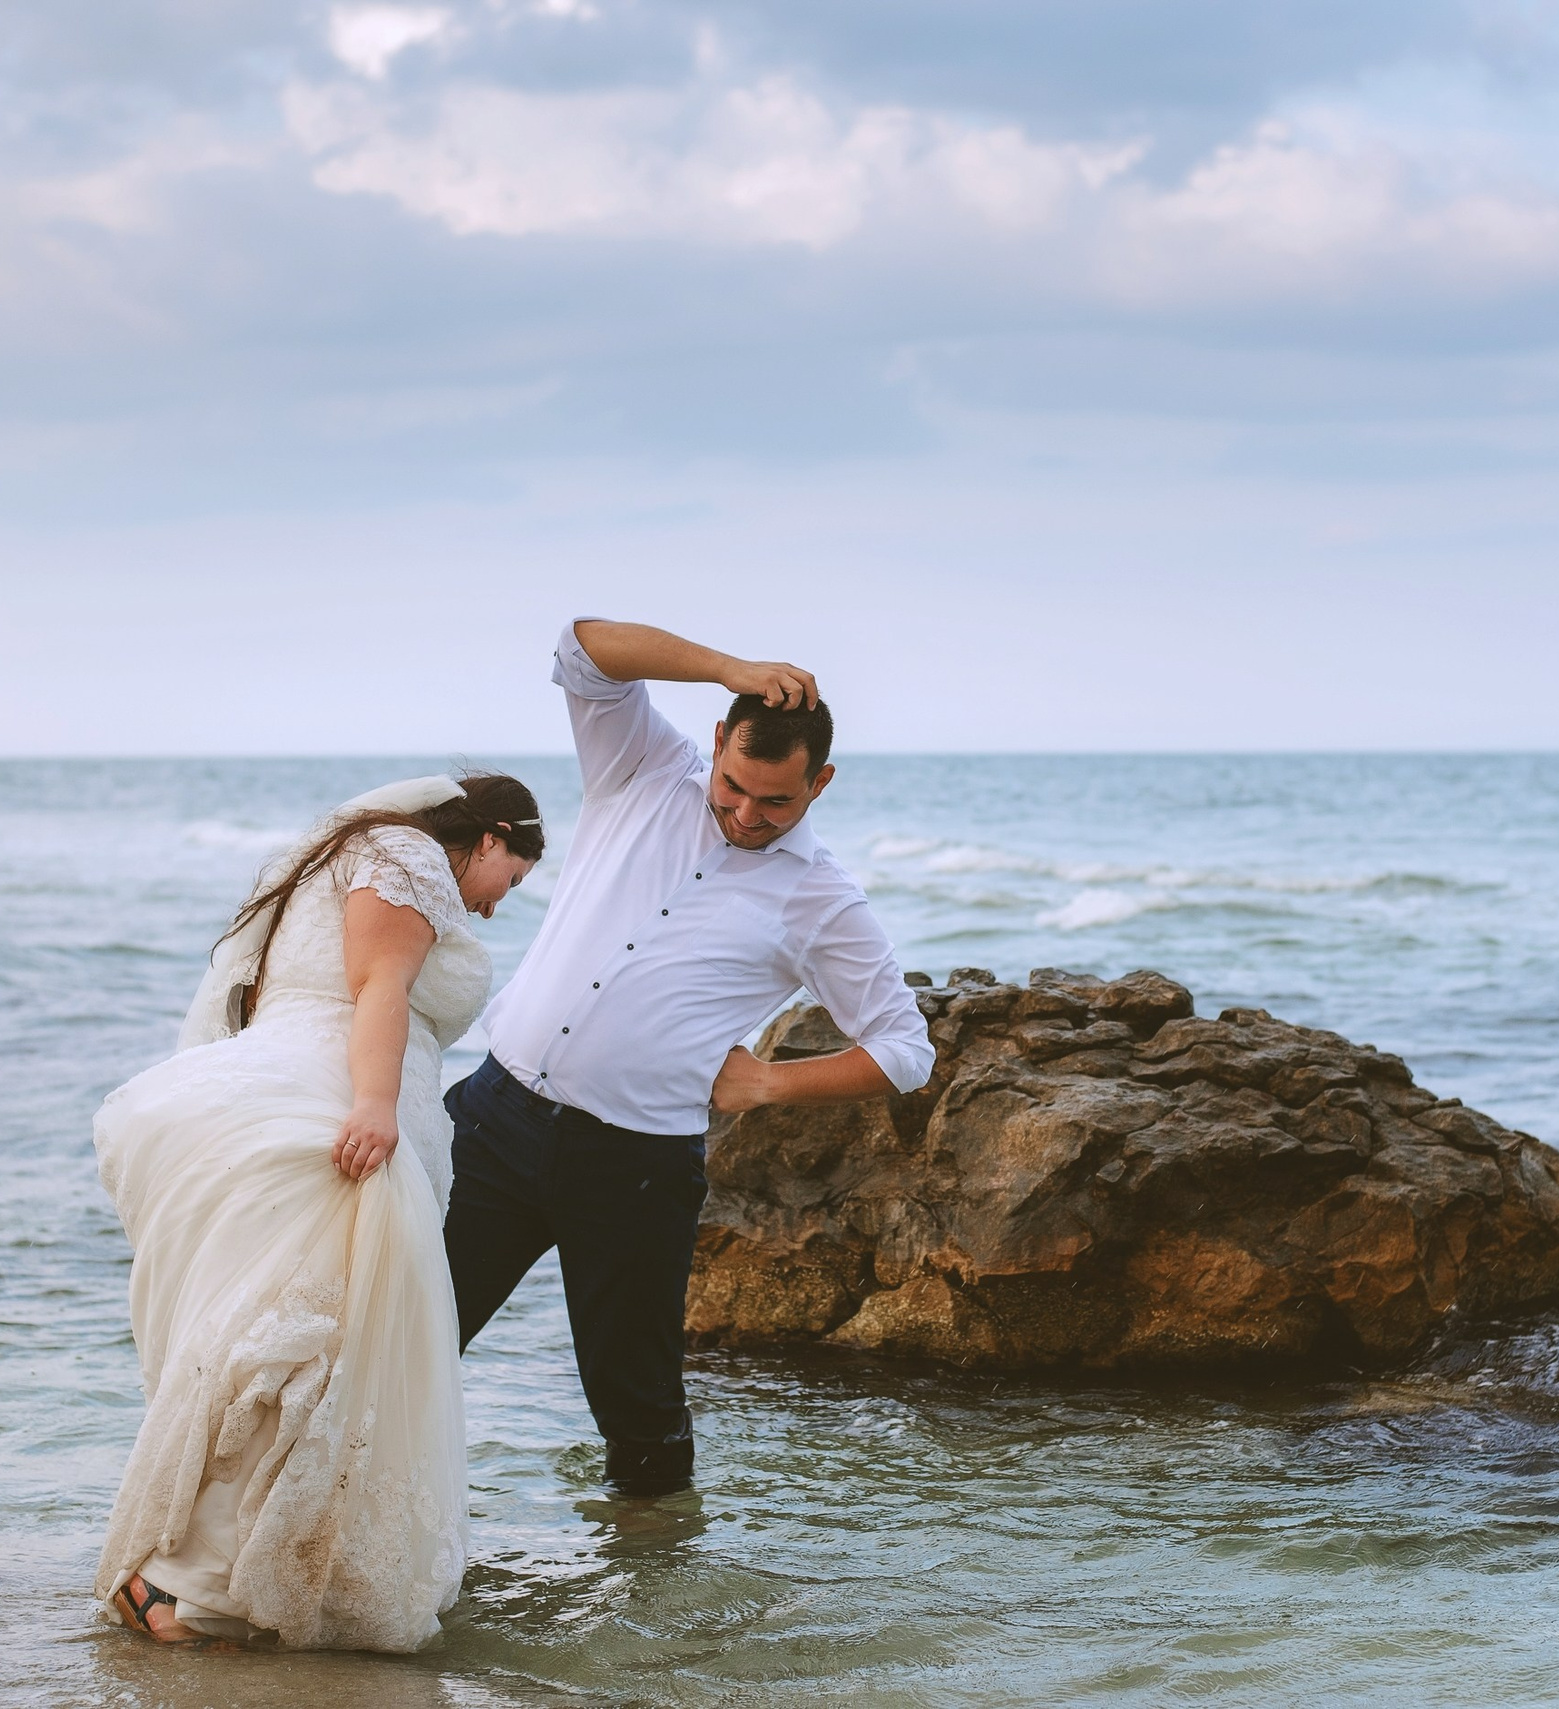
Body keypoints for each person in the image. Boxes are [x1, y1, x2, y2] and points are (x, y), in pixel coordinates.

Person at [444, 619, 933, 1497]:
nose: (747, 814)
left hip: (632, 1167)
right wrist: (727, 668)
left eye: (777, 801)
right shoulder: (639, 768)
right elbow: (583, 650)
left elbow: (906, 1050)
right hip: (497, 1122)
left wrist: (770, 1083)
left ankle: (654, 1614)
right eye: (735, 785)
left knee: (637, 1408)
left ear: (820, 783)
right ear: (716, 742)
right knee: (405, 1333)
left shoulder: (822, 898)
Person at [90, 773, 544, 1650]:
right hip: (342, 1112)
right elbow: (377, 987)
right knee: (301, 1344)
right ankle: (178, 1573)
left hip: (322, 1097)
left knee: (308, 1347)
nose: (496, 909)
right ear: (491, 836)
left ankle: (257, 1570)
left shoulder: (344, 857)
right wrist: (374, 1105)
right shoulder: (404, 854)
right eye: (512, 882)